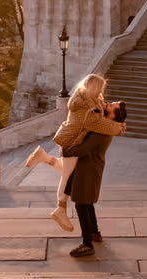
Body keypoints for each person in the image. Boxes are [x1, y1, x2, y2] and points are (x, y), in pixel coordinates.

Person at [24, 74, 125, 231]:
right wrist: (118, 127)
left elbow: (101, 108)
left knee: (67, 168)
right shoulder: (86, 110)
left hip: (72, 138)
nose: (102, 93)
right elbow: (97, 123)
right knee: (67, 175)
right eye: (100, 88)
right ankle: (60, 207)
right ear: (93, 88)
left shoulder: (89, 98)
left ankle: (43, 157)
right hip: (72, 141)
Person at [64, 101, 127, 257]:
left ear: (112, 115)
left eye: (112, 105)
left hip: (87, 169)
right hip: (92, 167)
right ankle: (94, 232)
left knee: (81, 203)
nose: (108, 103)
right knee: (87, 202)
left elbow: (84, 149)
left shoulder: (103, 131)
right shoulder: (107, 126)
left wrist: (66, 150)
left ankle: (87, 244)